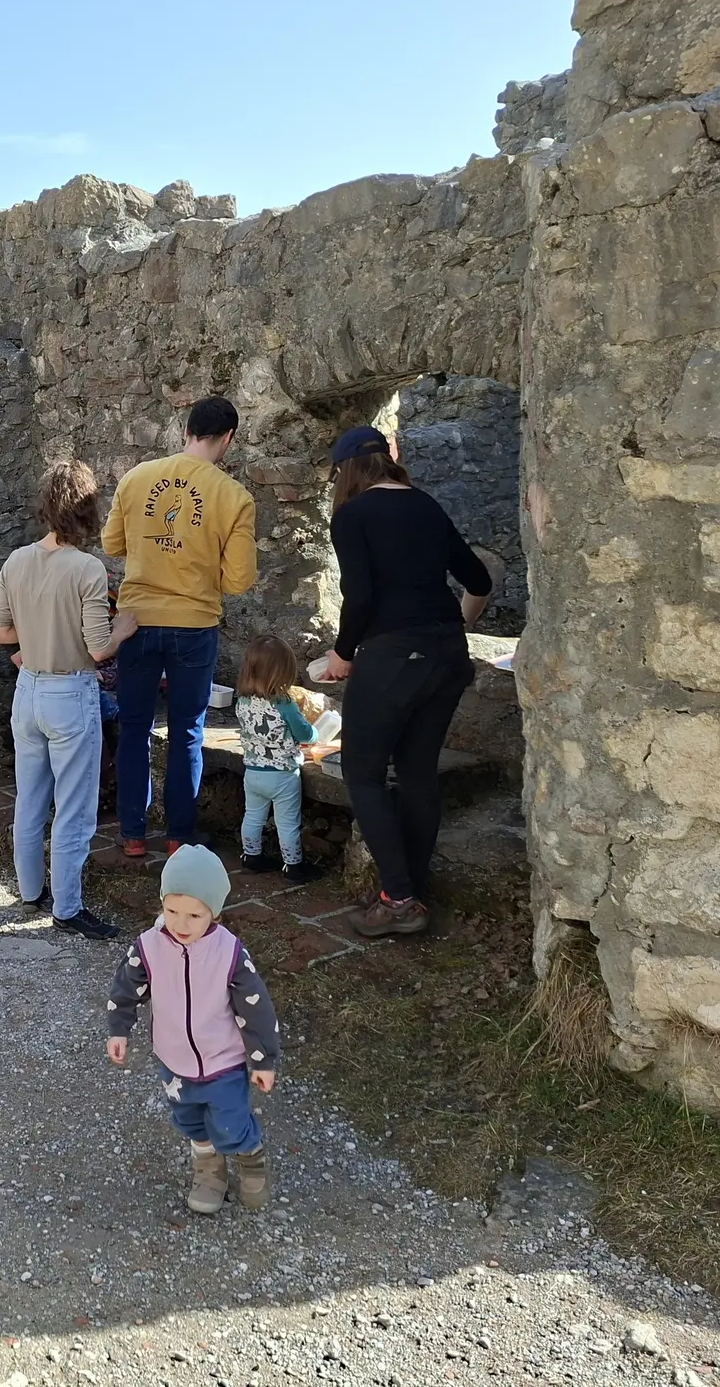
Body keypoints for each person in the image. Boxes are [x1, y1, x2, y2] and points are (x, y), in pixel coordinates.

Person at [312, 425, 493, 938]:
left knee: (362, 772)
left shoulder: (352, 515)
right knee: (416, 772)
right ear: (387, 460)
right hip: (447, 656)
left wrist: (342, 654)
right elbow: (478, 581)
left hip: (392, 655)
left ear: (346, 471)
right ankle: (409, 888)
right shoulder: (426, 505)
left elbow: (362, 596)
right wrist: (454, 627)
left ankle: (398, 900)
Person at [0, 460, 137, 940]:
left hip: (27, 690)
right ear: (87, 509)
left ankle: (30, 890)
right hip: (69, 693)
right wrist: (125, 626)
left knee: (29, 798)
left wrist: (38, 633)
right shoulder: (87, 568)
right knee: (74, 807)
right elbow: (98, 648)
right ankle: (67, 906)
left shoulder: (16, 560)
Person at [103, 397, 258, 858]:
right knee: (188, 729)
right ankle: (179, 835)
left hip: (137, 621)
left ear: (186, 429)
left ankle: (132, 833)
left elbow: (112, 543)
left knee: (134, 725)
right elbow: (239, 579)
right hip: (193, 624)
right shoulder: (234, 497)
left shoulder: (136, 479)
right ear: (227, 438)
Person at [106, 844, 279, 1215]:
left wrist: (263, 1059)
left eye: (194, 915)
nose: (181, 924)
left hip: (223, 1060)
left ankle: (250, 1159)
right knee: (188, 1119)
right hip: (173, 1059)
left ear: (213, 913)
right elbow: (126, 988)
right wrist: (118, 1028)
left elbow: (256, 1006)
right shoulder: (148, 946)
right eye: (171, 911)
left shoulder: (229, 952)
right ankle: (209, 1169)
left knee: (230, 1123)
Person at [233, 636, 323, 884]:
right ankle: (293, 866)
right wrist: (317, 733)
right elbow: (304, 734)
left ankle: (251, 857)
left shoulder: (242, 701)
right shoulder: (284, 704)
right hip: (282, 774)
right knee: (287, 823)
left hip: (253, 771)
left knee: (252, 816)